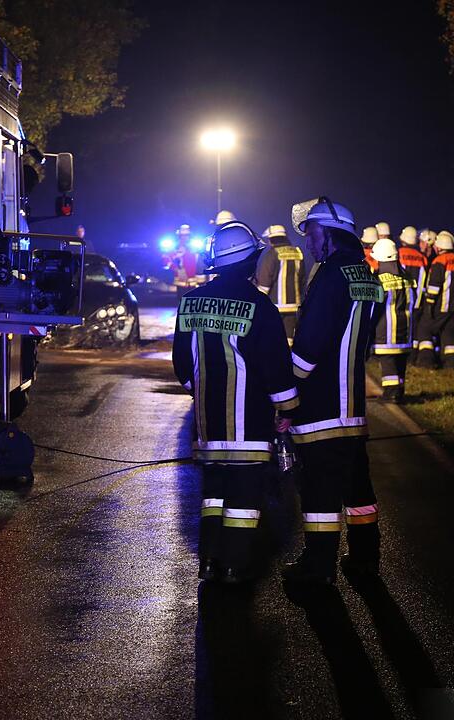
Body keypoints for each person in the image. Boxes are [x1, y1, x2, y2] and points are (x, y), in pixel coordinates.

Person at [173, 220, 299, 584]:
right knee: (244, 498)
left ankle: (209, 561)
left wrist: (201, 392)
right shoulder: (259, 306)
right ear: (249, 262)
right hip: (250, 425)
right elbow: (275, 365)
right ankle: (233, 566)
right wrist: (286, 408)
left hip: (208, 426)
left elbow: (182, 364)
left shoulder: (190, 302)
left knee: (213, 495)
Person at [283, 197, 383, 585]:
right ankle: (365, 559)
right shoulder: (367, 276)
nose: (309, 242)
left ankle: (318, 569)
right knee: (359, 490)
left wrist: (287, 396)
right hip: (353, 408)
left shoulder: (329, 276)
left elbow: (309, 345)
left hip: (322, 408)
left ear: (329, 233)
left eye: (311, 233)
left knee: (320, 494)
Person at [370, 238, 416, 402]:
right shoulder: (407, 278)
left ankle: (391, 394)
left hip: (386, 330)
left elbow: (375, 307)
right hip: (406, 329)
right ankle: (400, 391)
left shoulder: (380, 280)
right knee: (400, 361)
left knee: (388, 361)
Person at [415, 230, 454, 369]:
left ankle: (426, 362)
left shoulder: (440, 261)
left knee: (424, 329)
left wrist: (429, 305)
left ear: (439, 247)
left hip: (440, 307)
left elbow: (434, 287)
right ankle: (451, 366)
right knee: (449, 336)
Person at [255, 224, 307, 341]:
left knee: (274, 339)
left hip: (275, 307)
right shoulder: (298, 253)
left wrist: (258, 303)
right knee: (289, 339)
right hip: (294, 307)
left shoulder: (272, 254)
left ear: (271, 239)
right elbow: (302, 280)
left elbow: (264, 283)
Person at [397, 226, 428, 355]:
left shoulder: (398, 253)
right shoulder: (422, 258)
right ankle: (413, 356)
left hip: (400, 299)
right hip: (417, 301)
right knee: (414, 329)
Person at [165, 224, 199, 289]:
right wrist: (174, 267)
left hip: (193, 282)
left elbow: (199, 262)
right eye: (182, 235)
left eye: (186, 235)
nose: (185, 237)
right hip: (180, 283)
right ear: (179, 236)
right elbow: (166, 259)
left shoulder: (194, 247)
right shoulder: (174, 247)